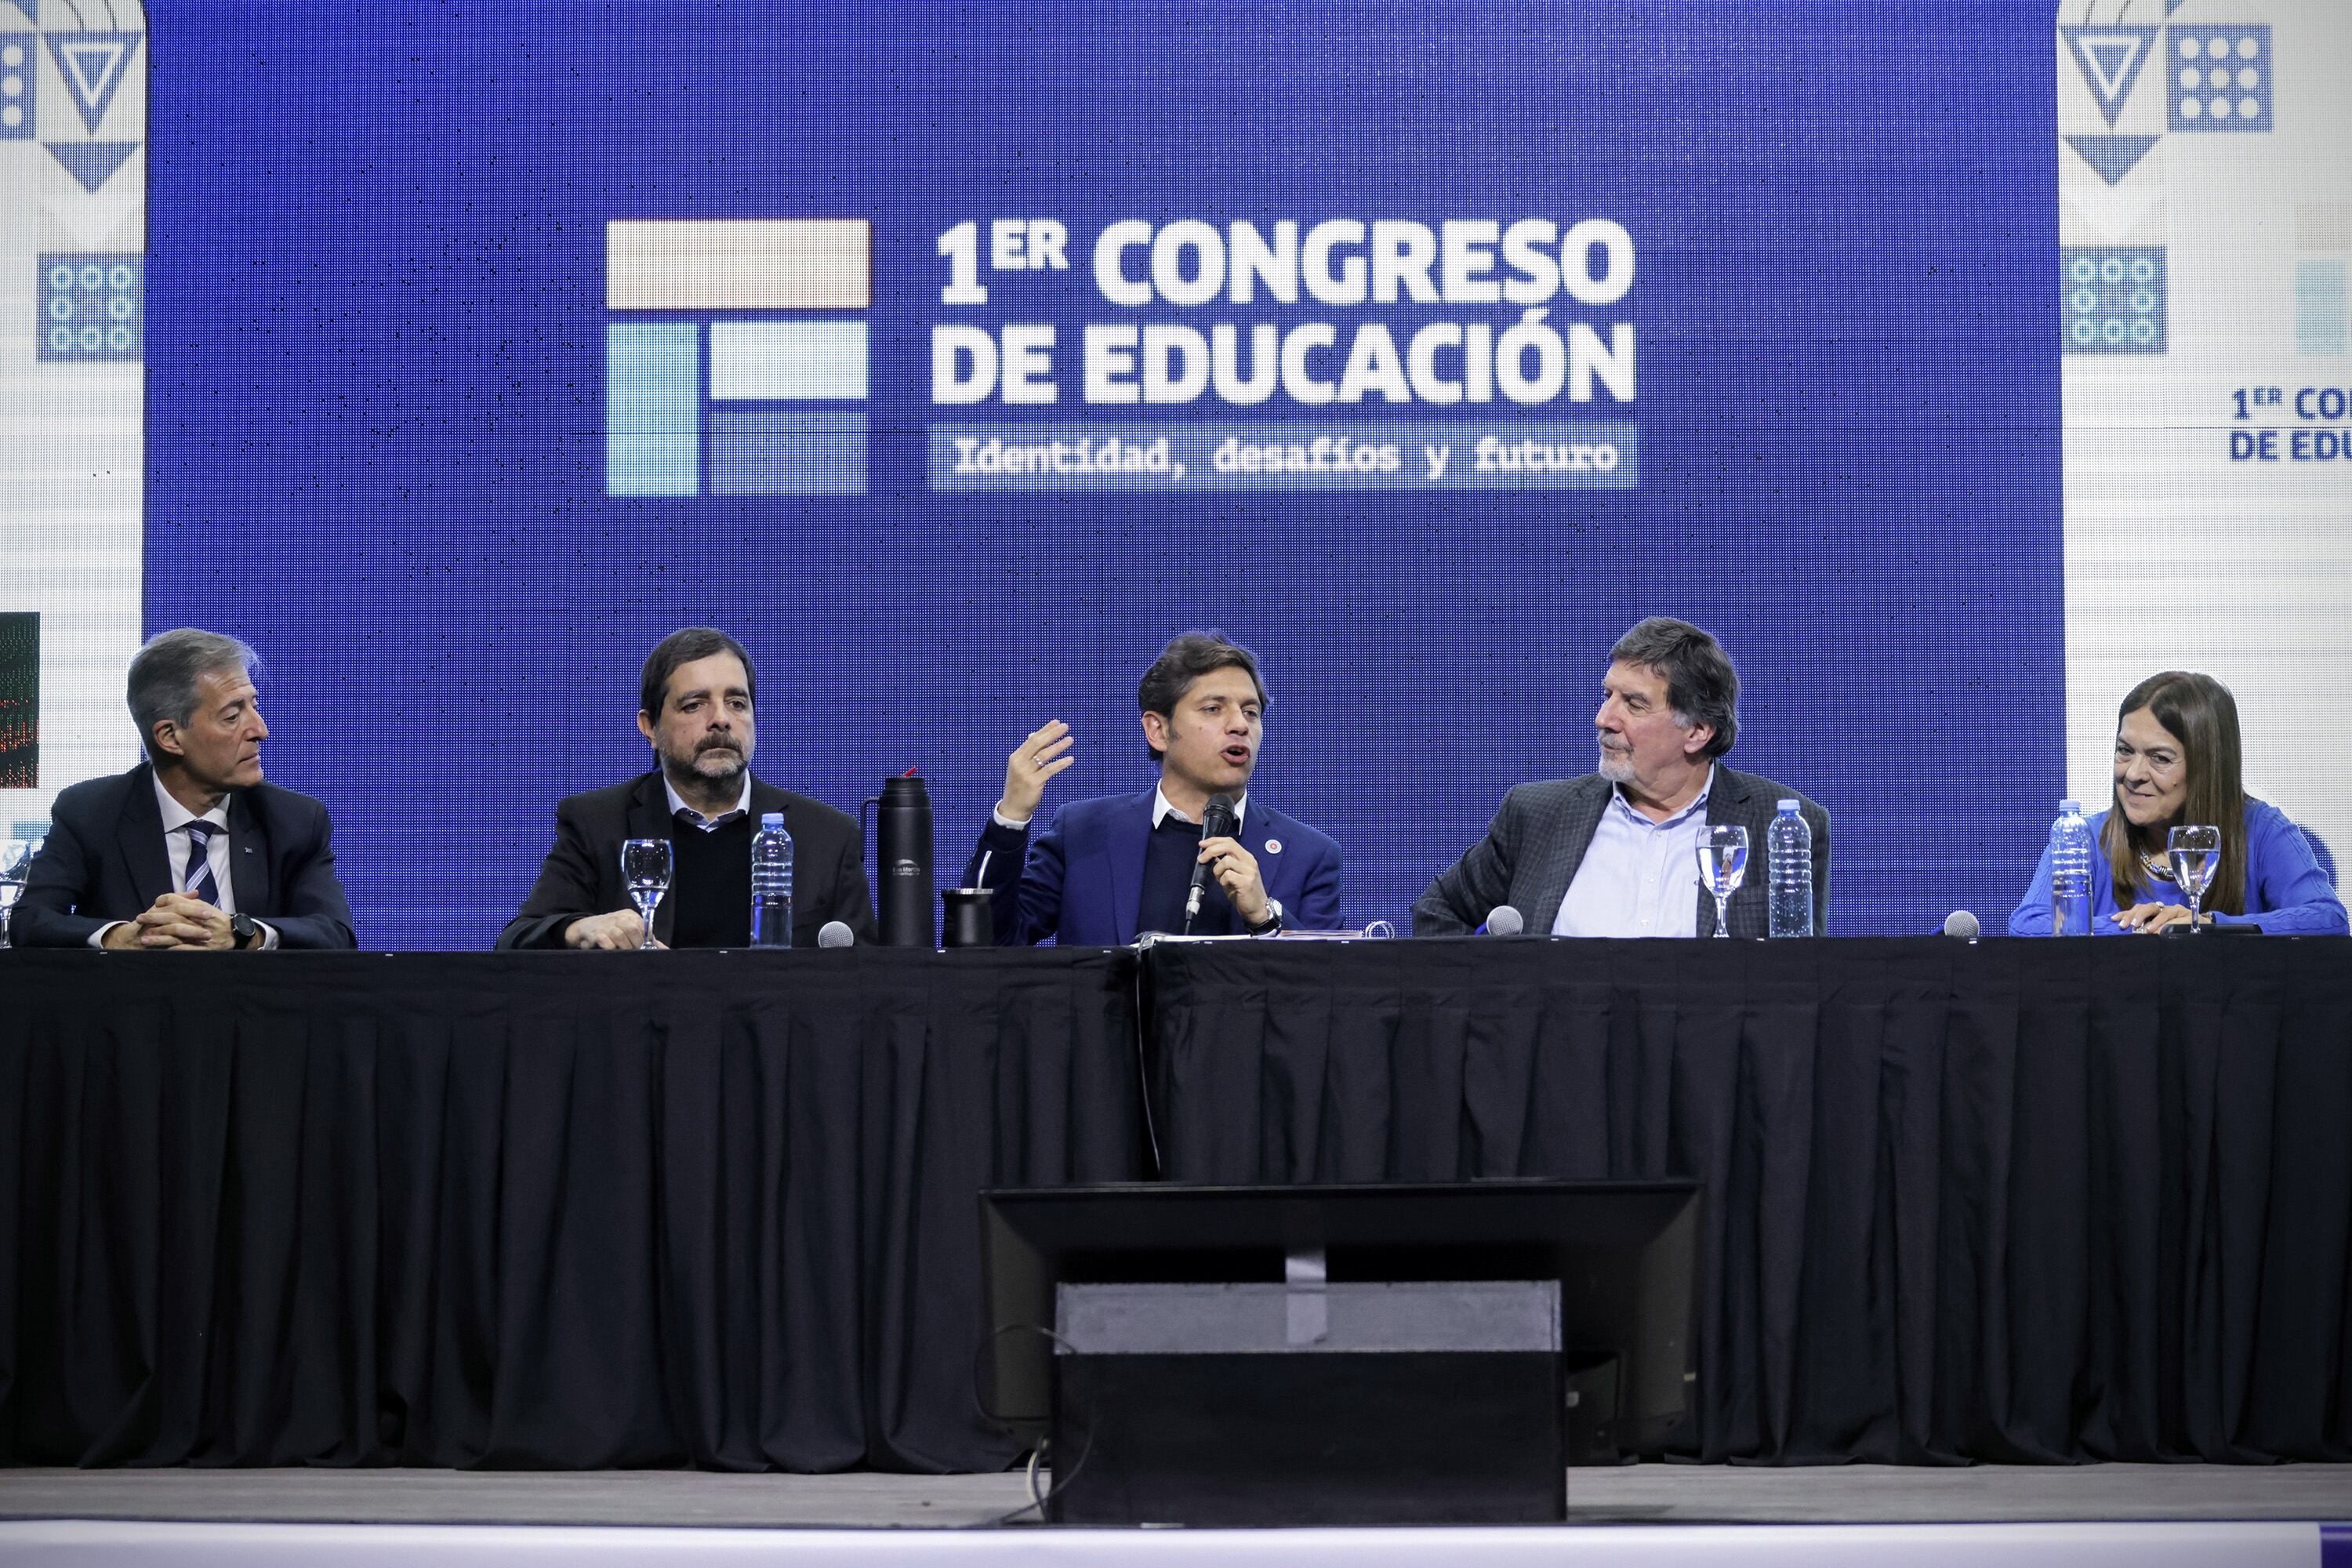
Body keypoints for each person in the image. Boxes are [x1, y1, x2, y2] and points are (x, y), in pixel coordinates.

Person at [1414, 616, 1829, 938]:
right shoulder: (1538, 815)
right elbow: (1439, 913)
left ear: (1698, 731)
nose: (1604, 719)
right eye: (1607, 695)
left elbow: (1796, 977)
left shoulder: (1779, 822)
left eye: (1634, 703)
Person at [499, 627, 877, 949]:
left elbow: (871, 980)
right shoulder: (597, 825)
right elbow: (515, 940)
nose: (721, 720)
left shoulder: (827, 836)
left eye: (736, 703)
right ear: (650, 727)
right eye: (695, 705)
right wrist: (577, 928)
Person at [964, 630, 1342, 945]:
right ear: (1158, 730)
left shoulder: (1307, 854)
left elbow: (1336, 990)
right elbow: (986, 944)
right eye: (1214, 709)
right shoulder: (1083, 832)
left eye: (1251, 712)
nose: (1240, 725)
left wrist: (1265, 917)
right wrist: (1011, 818)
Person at [14, 628, 356, 949]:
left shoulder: (293, 819)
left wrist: (242, 933)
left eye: (254, 706)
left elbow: (335, 931)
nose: (260, 730)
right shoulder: (91, 812)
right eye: (231, 717)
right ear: (170, 737)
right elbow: (31, 921)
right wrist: (123, 938)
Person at [2007, 671, 2347, 936]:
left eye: (2159, 758)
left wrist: (2209, 926)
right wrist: (2145, 927)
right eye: (2125, 751)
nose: (2133, 774)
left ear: (2206, 767)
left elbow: (2328, 919)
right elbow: (2027, 925)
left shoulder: (2260, 828)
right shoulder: (2085, 836)